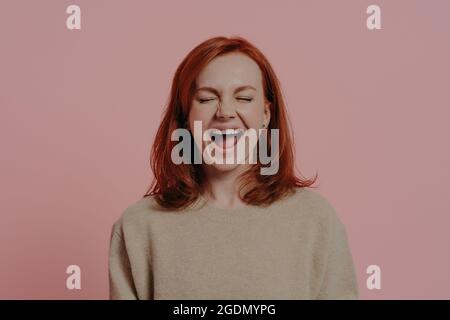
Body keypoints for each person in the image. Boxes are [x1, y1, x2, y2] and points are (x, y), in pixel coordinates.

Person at [108, 36, 359, 299]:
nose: (225, 112)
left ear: (266, 115)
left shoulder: (315, 221)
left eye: (244, 98)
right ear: (185, 116)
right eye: (206, 99)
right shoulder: (139, 227)